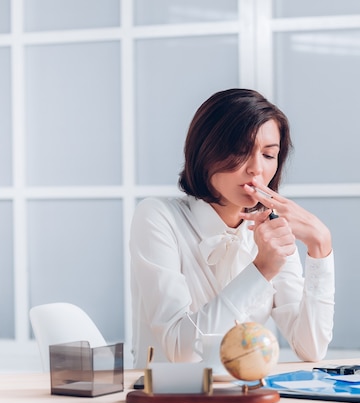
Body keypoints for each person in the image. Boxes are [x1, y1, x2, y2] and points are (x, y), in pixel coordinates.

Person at [129, 88, 335, 368]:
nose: (255, 169)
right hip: (167, 401)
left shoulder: (271, 228)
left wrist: (320, 247)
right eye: (239, 151)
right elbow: (181, 349)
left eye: (268, 154)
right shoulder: (157, 216)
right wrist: (262, 269)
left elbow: (311, 347)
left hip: (247, 398)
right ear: (205, 152)